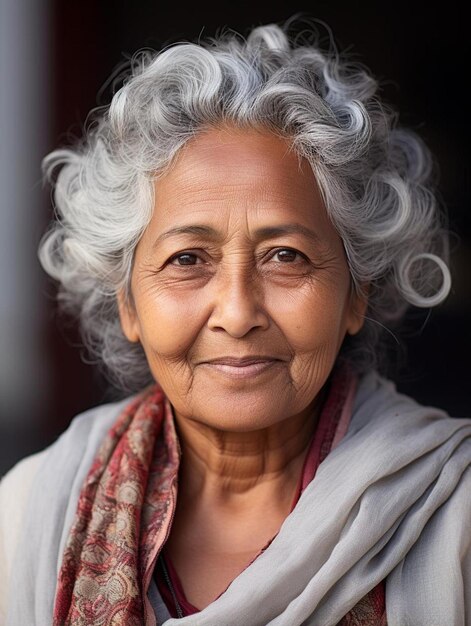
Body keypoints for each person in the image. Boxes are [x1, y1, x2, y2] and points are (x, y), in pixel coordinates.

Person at [0, 20, 469, 626]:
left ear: (357, 293)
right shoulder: (30, 515)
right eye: (187, 260)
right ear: (129, 303)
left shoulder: (451, 518)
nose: (239, 312)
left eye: (286, 257)